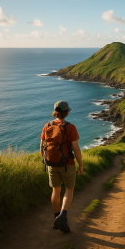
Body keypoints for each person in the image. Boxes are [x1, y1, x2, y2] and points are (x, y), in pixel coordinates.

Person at [40, 100, 83, 233]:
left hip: (51, 164)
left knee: (55, 191)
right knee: (69, 190)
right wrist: (80, 164)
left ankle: (55, 219)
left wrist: (44, 159)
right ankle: (62, 216)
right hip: (67, 164)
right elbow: (76, 149)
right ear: (66, 112)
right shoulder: (70, 127)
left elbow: (42, 146)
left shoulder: (47, 125)